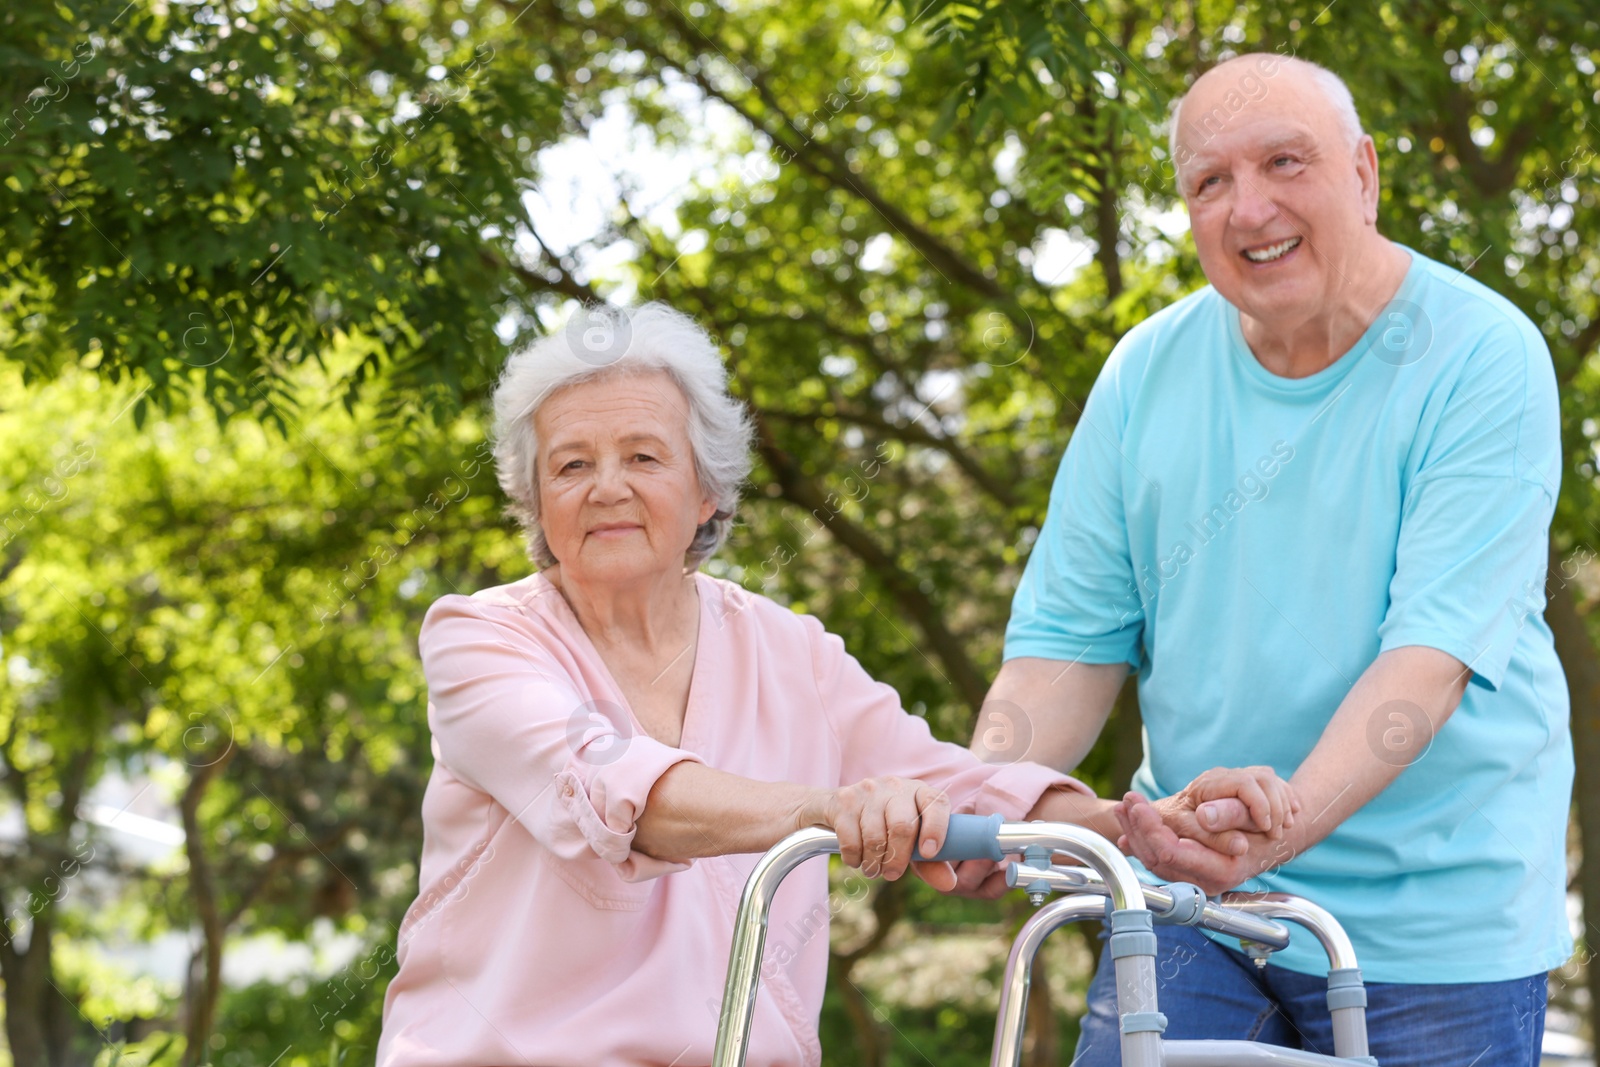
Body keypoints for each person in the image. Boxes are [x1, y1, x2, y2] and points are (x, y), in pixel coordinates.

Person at [374, 302, 1293, 1067]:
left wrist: (1125, 824)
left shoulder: (787, 649)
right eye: (571, 464)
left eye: (644, 456)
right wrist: (833, 810)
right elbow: (607, 785)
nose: (606, 485)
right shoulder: (480, 638)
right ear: (535, 503)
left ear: (708, 493)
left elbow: (942, 782)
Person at [966, 53, 1572, 1065]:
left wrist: (1273, 833)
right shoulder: (1142, 372)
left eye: (1285, 162)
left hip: (1434, 924)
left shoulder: (1480, 356)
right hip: (1194, 892)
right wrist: (984, 793)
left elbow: (1425, 660)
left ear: (1365, 173)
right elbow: (1068, 643)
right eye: (1209, 182)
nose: (1250, 209)